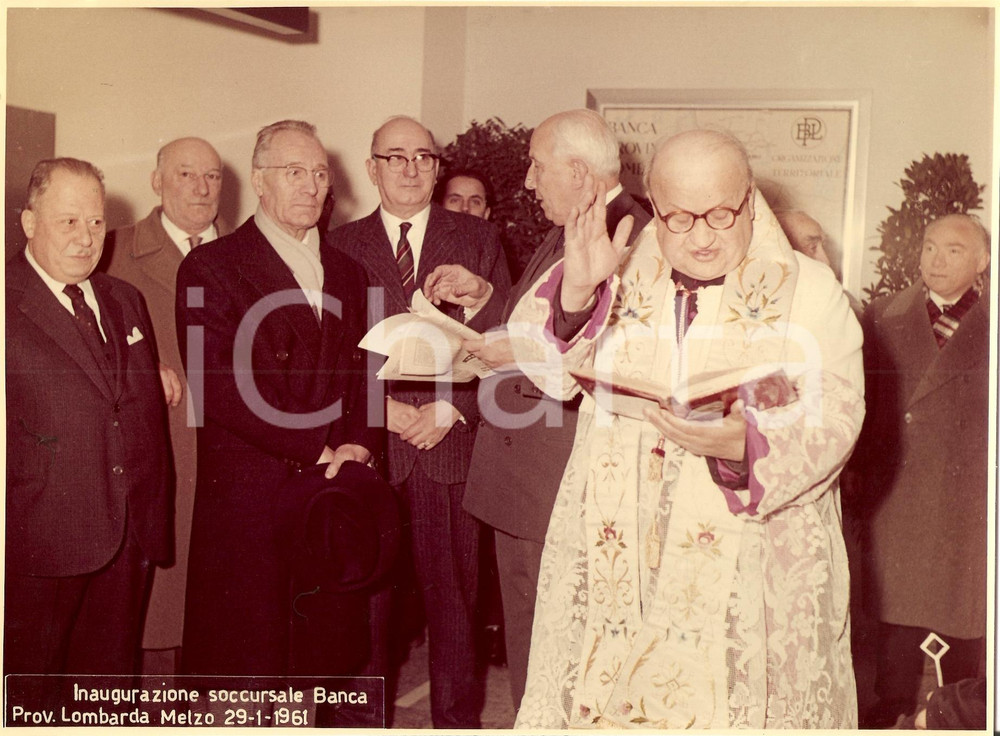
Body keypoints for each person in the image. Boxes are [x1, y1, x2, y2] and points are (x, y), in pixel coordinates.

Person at [507, 129, 864, 728]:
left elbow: (837, 414)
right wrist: (577, 290)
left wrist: (746, 445)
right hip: (621, 546)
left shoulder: (809, 290)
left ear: (750, 200)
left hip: (746, 556)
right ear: (653, 202)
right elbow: (549, 374)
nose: (700, 236)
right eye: (677, 218)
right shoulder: (614, 265)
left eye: (721, 215)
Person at [433, 109, 650, 712]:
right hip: (522, 476)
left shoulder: (626, 233)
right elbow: (539, 316)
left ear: (579, 172)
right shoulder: (574, 224)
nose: (527, 181)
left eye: (537, 166)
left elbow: (602, 350)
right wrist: (484, 299)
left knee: (559, 651)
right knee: (532, 644)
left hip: (557, 478)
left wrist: (517, 351)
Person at [176, 120, 384, 677]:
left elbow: (370, 373)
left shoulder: (350, 272)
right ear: (260, 181)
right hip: (251, 502)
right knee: (249, 670)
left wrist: (358, 448)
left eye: (319, 173)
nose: (311, 186)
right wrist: (318, 446)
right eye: (294, 172)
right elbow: (219, 384)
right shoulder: (210, 266)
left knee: (323, 664)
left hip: (333, 495)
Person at [331, 115, 510, 729]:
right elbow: (331, 353)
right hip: (373, 450)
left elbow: (505, 342)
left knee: (455, 608)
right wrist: (379, 412)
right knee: (366, 607)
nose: (410, 168)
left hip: (447, 445)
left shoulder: (477, 240)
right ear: (372, 167)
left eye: (423, 157)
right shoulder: (339, 244)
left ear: (437, 168)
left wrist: (450, 409)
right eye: (395, 157)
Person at [5, 158, 172, 679]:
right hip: (40, 545)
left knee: (107, 689)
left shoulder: (126, 299)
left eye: (96, 222)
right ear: (30, 223)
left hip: (130, 535)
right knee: (30, 694)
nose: (85, 238)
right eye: (68, 221)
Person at [857, 213, 990, 728]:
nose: (936, 259)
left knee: (960, 647)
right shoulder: (880, 316)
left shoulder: (991, 323)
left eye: (954, 250)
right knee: (893, 652)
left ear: (981, 262)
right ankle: (891, 710)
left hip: (969, 506)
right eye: (929, 246)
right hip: (899, 502)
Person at [101, 136, 225, 673]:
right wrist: (135, 366)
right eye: (185, 174)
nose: (201, 188)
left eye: (212, 176)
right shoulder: (110, 248)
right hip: (158, 454)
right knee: (151, 621)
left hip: (233, 458)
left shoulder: (245, 253)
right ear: (156, 181)